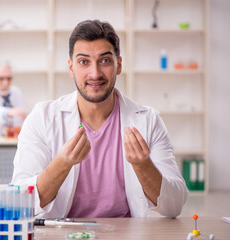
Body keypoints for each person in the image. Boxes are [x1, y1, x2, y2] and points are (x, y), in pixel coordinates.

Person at [11, 20, 188, 218]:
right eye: (83, 62)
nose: (95, 73)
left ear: (118, 65)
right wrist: (62, 163)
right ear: (71, 68)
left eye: (104, 60)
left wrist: (143, 165)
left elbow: (175, 206)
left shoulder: (148, 120)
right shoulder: (42, 118)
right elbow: (20, 202)